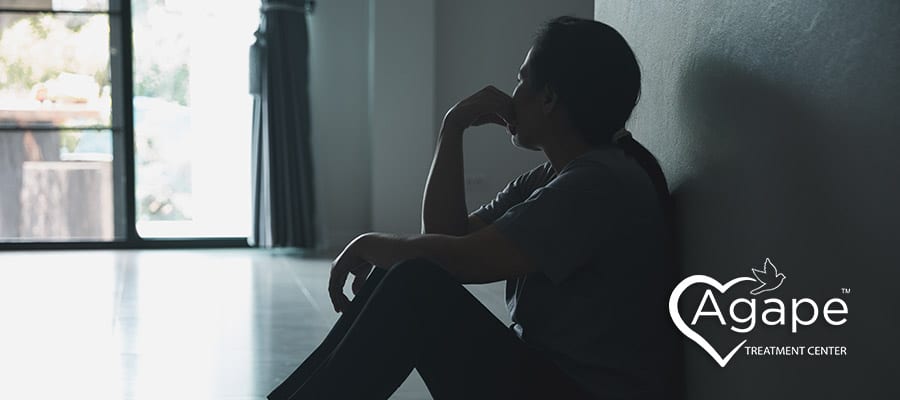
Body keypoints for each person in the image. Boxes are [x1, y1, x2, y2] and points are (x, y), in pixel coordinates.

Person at [267, 16, 682, 400]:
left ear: (550, 96)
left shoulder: (599, 182)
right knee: (411, 272)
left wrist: (368, 244)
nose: (511, 94)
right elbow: (446, 239)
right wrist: (454, 126)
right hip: (545, 377)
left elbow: (465, 261)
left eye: (521, 81)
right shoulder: (551, 176)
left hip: (577, 391)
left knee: (415, 282)